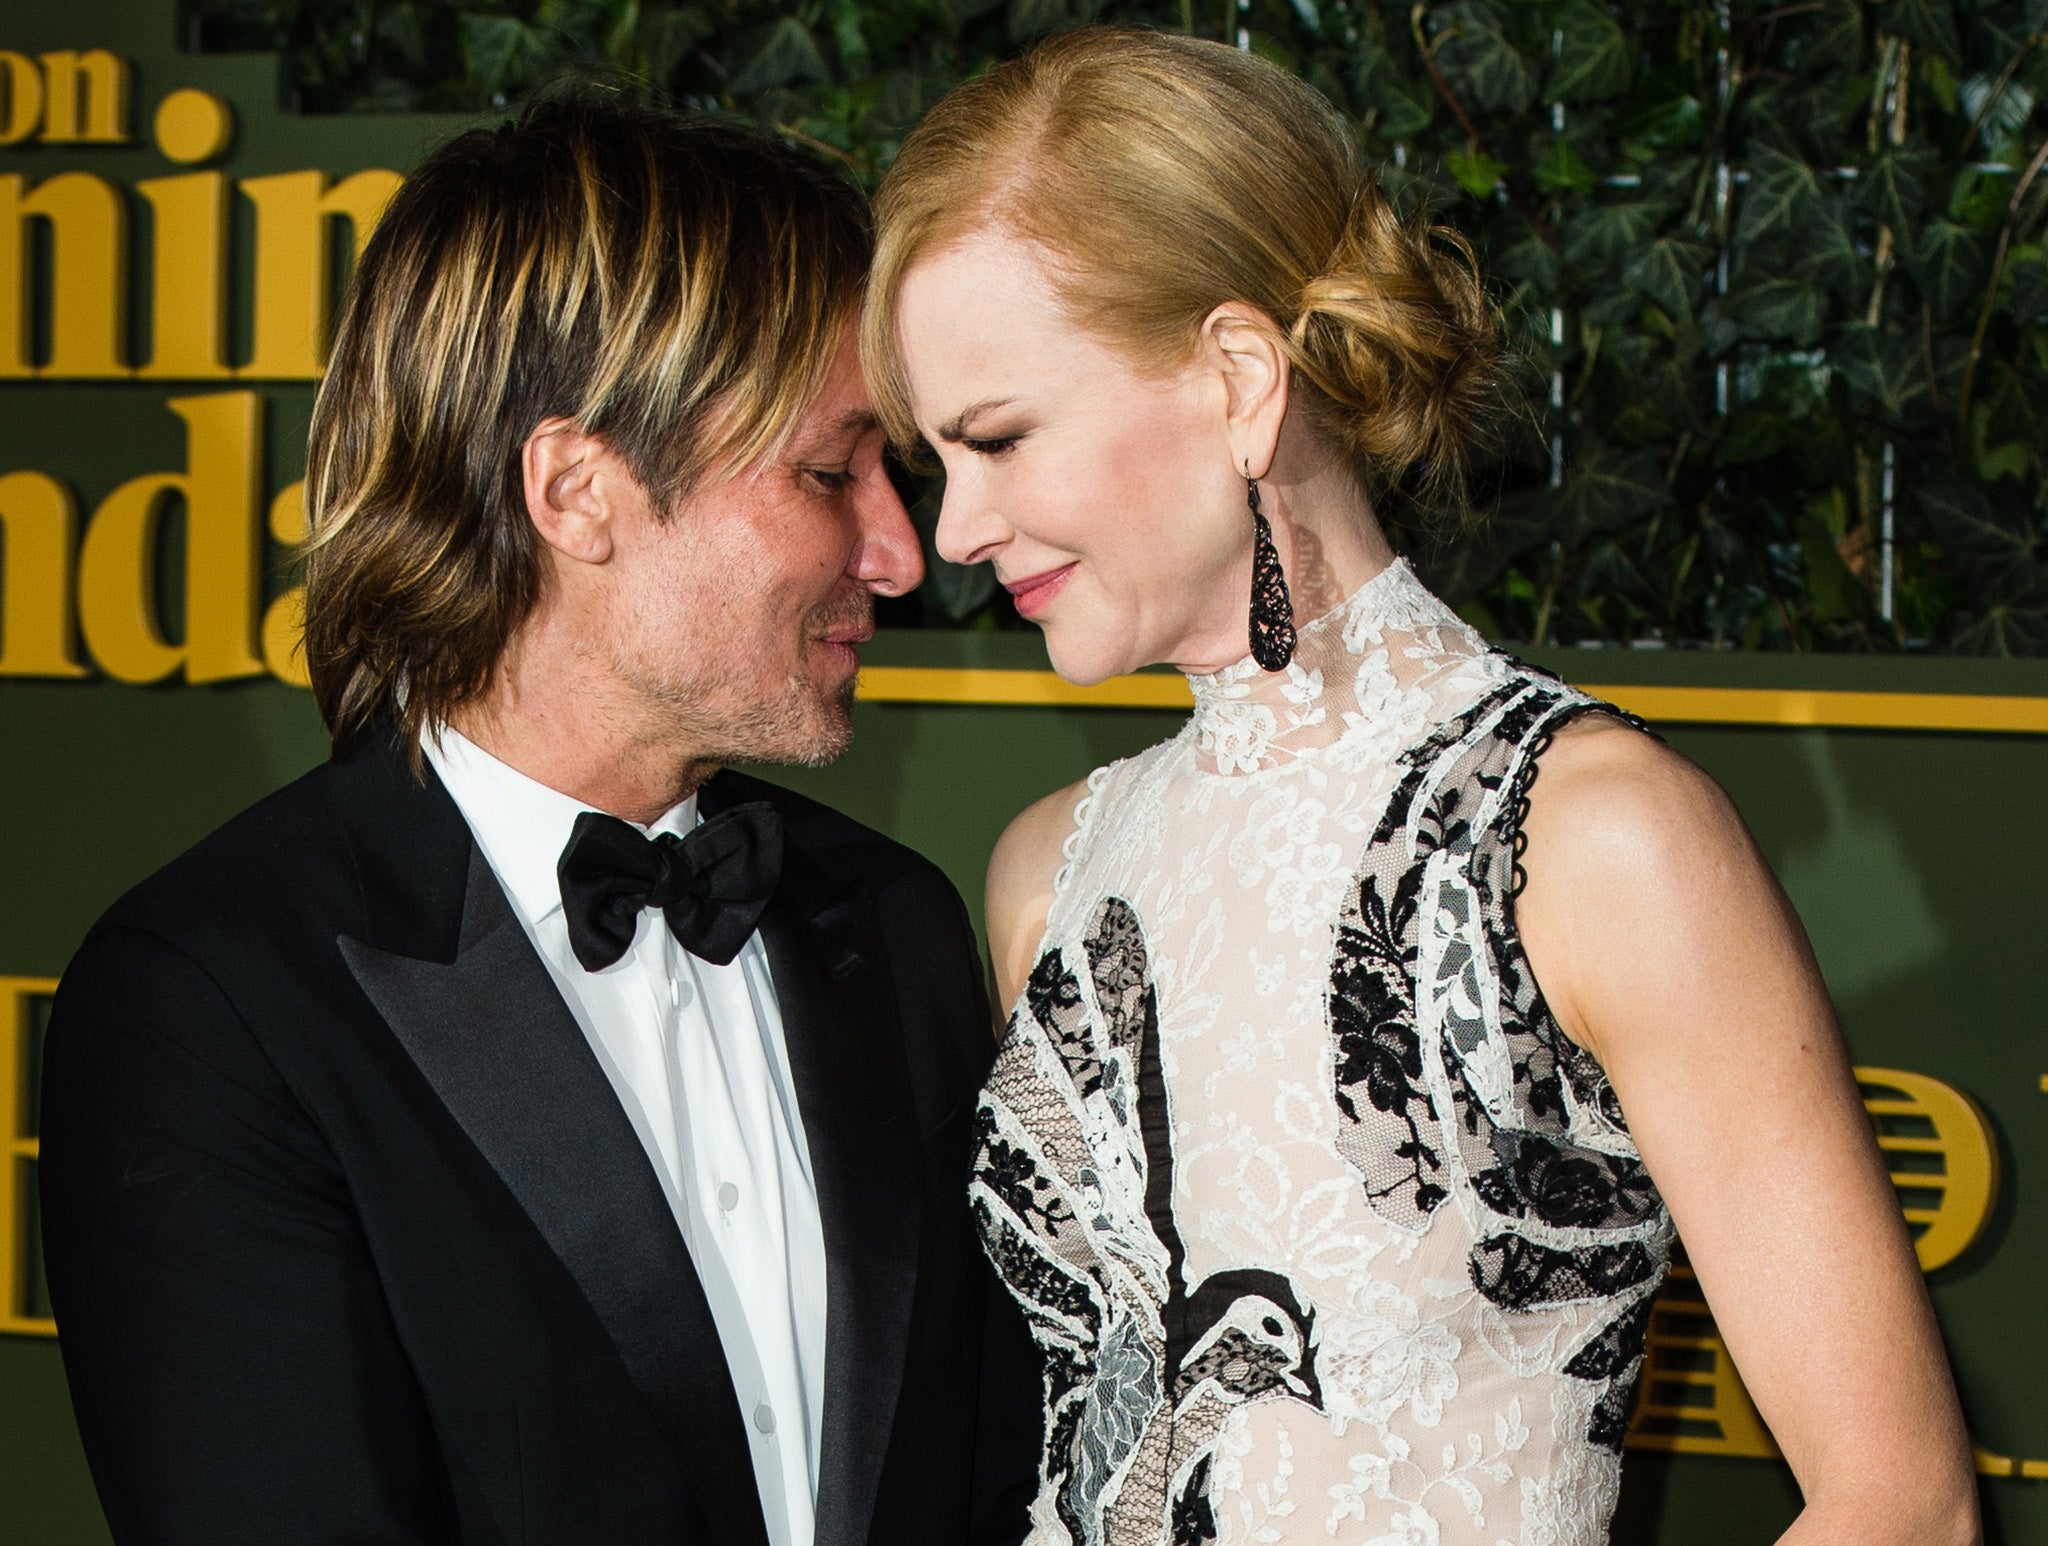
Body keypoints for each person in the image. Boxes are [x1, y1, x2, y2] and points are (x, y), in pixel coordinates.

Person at [863, 27, 1981, 1546]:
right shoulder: (1050, 871)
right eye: (936, 460)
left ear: (1240, 377)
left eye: (997, 439)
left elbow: (1899, 1503)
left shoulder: (1589, 837)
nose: (959, 531)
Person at [40, 92, 1037, 1546]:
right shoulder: (213, 1006)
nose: (903, 549)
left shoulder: (894, 923)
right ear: (578, 489)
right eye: (832, 472)